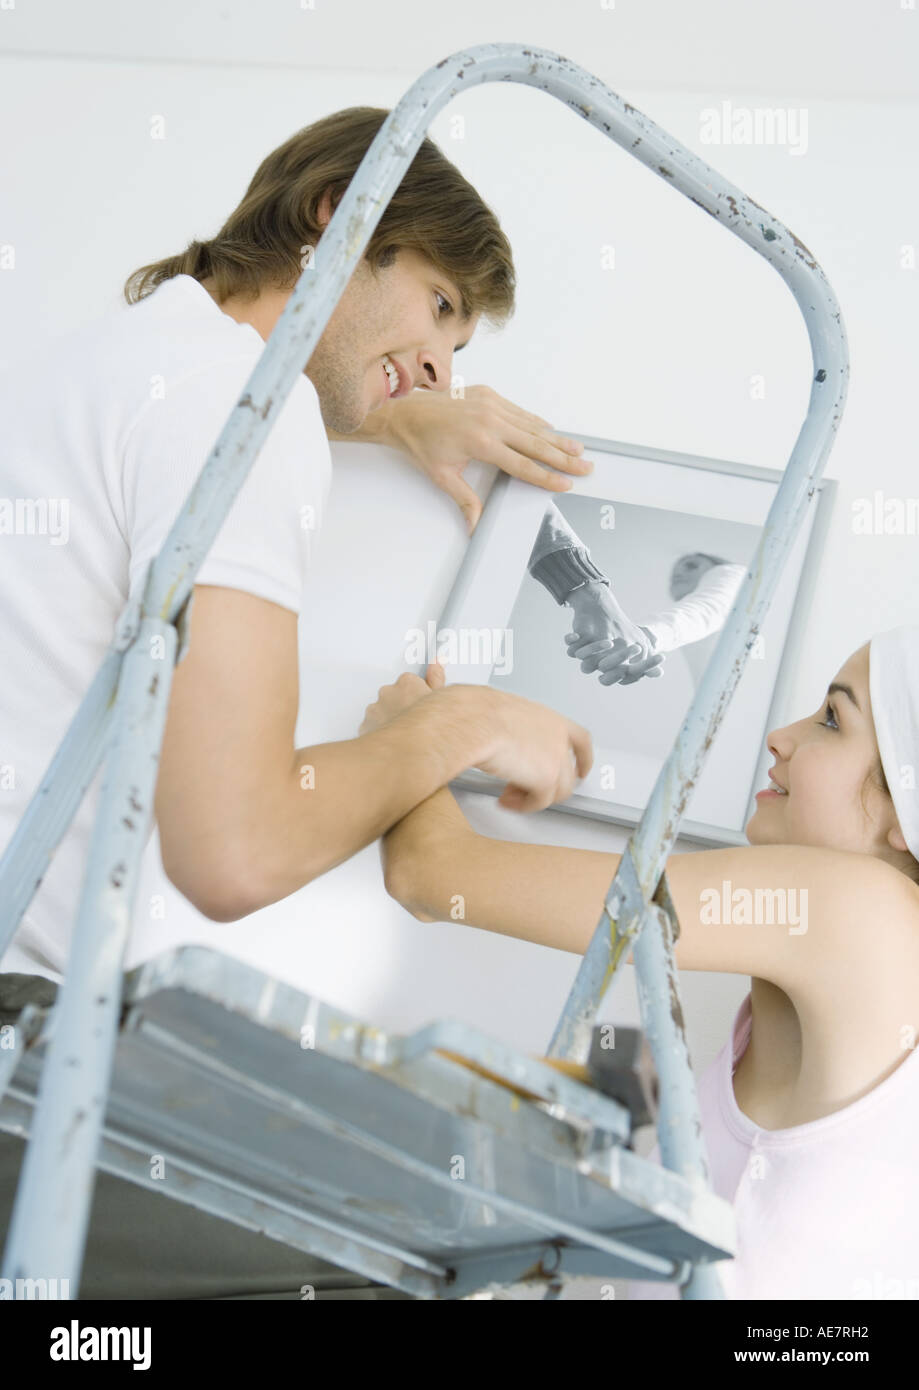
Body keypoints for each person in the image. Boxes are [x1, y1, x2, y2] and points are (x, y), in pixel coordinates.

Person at [0, 106, 598, 1299]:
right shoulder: (239, 417)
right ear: (341, 214)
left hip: (35, 1039)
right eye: (437, 306)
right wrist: (449, 726)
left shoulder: (116, 363)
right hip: (29, 1067)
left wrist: (395, 401)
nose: (443, 361)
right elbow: (235, 847)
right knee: (449, 1258)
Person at [377, 625, 919, 1300]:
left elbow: (431, 876)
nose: (780, 736)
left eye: (832, 719)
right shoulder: (808, 983)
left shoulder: (869, 911)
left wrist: (421, 735)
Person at [525, 501, 746, 687]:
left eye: (690, 566)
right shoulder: (692, 634)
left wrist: (644, 638)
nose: (678, 575)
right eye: (674, 574)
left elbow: (708, 610)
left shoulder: (734, 574)